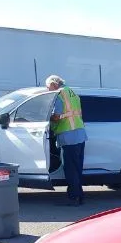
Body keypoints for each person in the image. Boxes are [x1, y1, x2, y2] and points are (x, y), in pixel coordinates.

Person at [45, 75, 87, 206]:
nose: (47, 90)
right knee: (77, 167)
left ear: (54, 84)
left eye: (48, 87)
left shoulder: (59, 95)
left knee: (70, 169)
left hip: (68, 136)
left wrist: (48, 117)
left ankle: (74, 197)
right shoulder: (72, 92)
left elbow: (57, 116)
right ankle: (79, 195)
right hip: (80, 134)